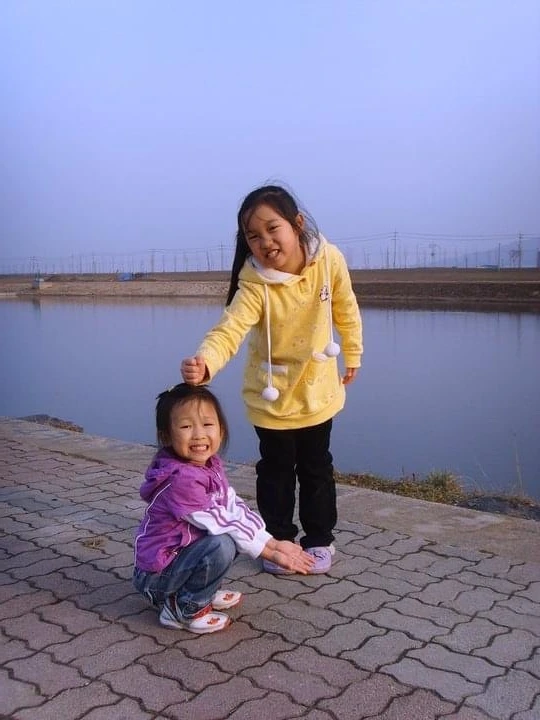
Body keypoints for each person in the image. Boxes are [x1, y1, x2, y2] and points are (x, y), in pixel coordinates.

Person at [181, 184, 362, 575]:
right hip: (272, 397)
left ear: (297, 224)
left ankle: (319, 540)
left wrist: (353, 351)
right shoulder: (254, 284)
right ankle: (278, 541)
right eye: (253, 236)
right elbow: (229, 329)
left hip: (317, 391)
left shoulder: (328, 260)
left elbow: (346, 308)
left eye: (272, 228)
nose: (265, 242)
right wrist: (206, 362)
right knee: (276, 472)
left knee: (317, 468)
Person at [132, 382, 314, 634]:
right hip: (156, 577)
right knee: (222, 543)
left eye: (207, 424)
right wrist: (269, 554)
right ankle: (183, 609)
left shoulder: (209, 465)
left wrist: (272, 542)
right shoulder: (182, 480)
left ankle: (197, 592)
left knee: (233, 536)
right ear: (167, 436)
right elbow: (221, 523)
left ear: (221, 429)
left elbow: (233, 506)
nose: (199, 434)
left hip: (177, 562)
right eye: (186, 427)